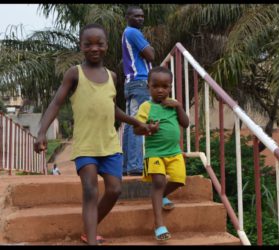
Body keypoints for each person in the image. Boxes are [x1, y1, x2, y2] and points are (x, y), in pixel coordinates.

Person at [33, 23, 151, 245]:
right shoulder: (74, 74)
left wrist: (136, 122)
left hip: (109, 145)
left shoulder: (112, 76)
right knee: (90, 189)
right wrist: (41, 132)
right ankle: (91, 240)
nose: (94, 48)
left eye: (100, 43)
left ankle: (90, 228)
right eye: (88, 44)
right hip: (86, 146)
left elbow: (112, 108)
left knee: (115, 190)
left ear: (107, 46)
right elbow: (56, 103)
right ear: (81, 46)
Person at [134, 66, 189, 241]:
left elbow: (186, 123)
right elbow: (136, 129)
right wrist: (148, 129)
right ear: (148, 86)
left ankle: (163, 195)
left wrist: (179, 106)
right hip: (154, 153)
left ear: (170, 87)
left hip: (174, 152)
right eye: (155, 86)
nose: (160, 90)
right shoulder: (146, 106)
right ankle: (159, 225)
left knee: (179, 179)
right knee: (158, 181)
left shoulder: (173, 104)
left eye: (165, 86)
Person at [122, 6, 155, 176]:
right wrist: (149, 48)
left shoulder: (128, 33)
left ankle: (127, 165)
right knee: (138, 123)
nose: (140, 19)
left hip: (132, 82)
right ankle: (135, 165)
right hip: (140, 81)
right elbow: (151, 54)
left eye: (142, 16)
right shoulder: (133, 32)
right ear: (127, 17)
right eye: (136, 16)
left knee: (130, 124)